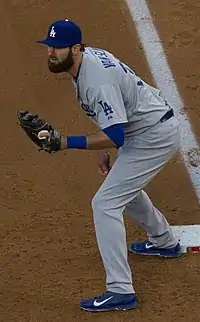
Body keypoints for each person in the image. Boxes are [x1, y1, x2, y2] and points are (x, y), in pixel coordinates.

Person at [36, 19, 183, 312]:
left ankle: (120, 290)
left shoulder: (95, 79)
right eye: (49, 46)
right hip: (143, 128)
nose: (51, 52)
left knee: (105, 203)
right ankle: (164, 241)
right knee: (121, 187)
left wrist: (65, 142)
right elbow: (115, 122)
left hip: (153, 136)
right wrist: (111, 146)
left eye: (58, 47)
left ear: (76, 48)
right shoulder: (87, 62)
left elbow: (115, 131)